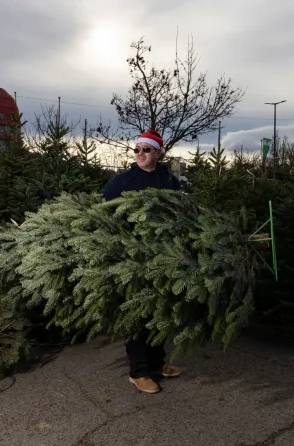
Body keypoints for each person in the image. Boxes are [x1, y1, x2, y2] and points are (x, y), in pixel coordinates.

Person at [100, 129, 183, 394]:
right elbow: (102, 212)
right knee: (137, 312)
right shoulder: (122, 181)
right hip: (132, 258)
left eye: (145, 150)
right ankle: (139, 372)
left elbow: (180, 212)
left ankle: (158, 364)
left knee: (160, 310)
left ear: (158, 152)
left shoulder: (169, 180)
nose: (139, 154)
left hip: (163, 255)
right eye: (136, 150)